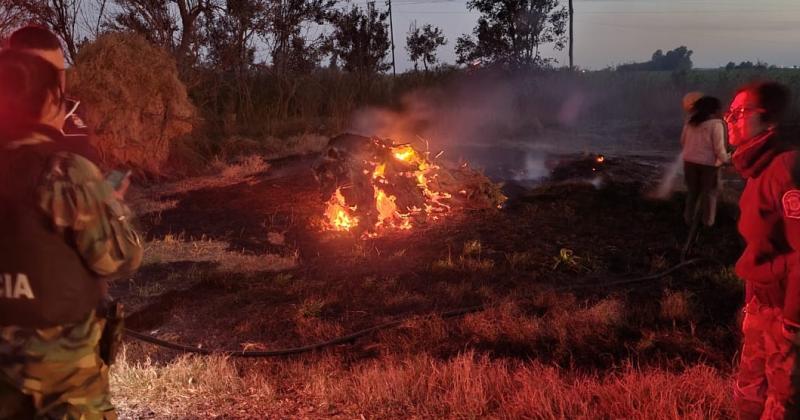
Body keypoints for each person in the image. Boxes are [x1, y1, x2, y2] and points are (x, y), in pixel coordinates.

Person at [0, 50, 142, 418]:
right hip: (63, 379)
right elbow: (120, 257)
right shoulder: (64, 172)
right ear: (49, 100)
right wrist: (109, 207)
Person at [728, 81, 800, 419]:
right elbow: (764, 245)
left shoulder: (786, 169)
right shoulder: (759, 166)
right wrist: (752, 298)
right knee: (749, 393)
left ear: (769, 120)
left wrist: (793, 323)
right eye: (729, 114)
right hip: (762, 302)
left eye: (740, 114)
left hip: (785, 314)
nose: (730, 120)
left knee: (782, 402)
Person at [7, 24, 100, 164]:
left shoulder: (75, 117)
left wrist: (99, 185)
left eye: (59, 74)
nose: (56, 87)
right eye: (44, 75)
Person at [681, 95, 730, 227]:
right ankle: (707, 222)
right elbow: (719, 149)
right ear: (714, 110)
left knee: (692, 192)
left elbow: (683, 141)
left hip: (689, 162)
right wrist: (727, 160)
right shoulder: (716, 124)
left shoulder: (690, 122)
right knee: (709, 194)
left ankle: (688, 219)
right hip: (708, 165)